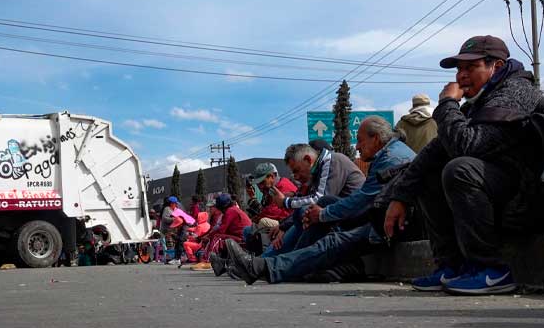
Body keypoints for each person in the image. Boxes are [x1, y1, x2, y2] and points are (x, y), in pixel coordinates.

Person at [384, 35, 540, 295]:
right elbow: (433, 152)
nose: (461, 76)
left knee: (460, 168)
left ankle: (490, 269)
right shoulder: (481, 100)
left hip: (526, 190)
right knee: (429, 172)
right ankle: (451, 267)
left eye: (470, 68)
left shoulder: (515, 92)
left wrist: (447, 104)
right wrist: (400, 197)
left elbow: (468, 146)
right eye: (459, 69)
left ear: (496, 67)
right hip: (494, 184)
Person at [223, 116, 415, 284]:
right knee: (314, 212)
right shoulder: (387, 154)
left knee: (329, 236)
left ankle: (268, 266)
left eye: (360, 140)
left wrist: (317, 214)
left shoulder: (388, 158)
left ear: (376, 138)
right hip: (378, 218)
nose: (356, 147)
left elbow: (361, 199)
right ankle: (276, 264)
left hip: (390, 223)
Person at [242, 163, 297, 255]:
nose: (260, 187)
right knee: (248, 229)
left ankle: (261, 259)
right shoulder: (270, 190)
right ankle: (254, 257)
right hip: (284, 221)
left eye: (262, 183)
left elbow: (273, 213)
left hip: (289, 222)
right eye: (259, 185)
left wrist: (257, 214)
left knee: (262, 222)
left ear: (271, 176)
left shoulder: (283, 186)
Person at [165, 196, 195, 266]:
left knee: (180, 242)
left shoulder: (177, 211)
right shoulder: (177, 209)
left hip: (189, 225)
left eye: (170, 203)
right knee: (178, 241)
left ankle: (177, 258)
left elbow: (181, 239)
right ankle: (177, 258)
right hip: (186, 224)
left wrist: (173, 234)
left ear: (173, 203)